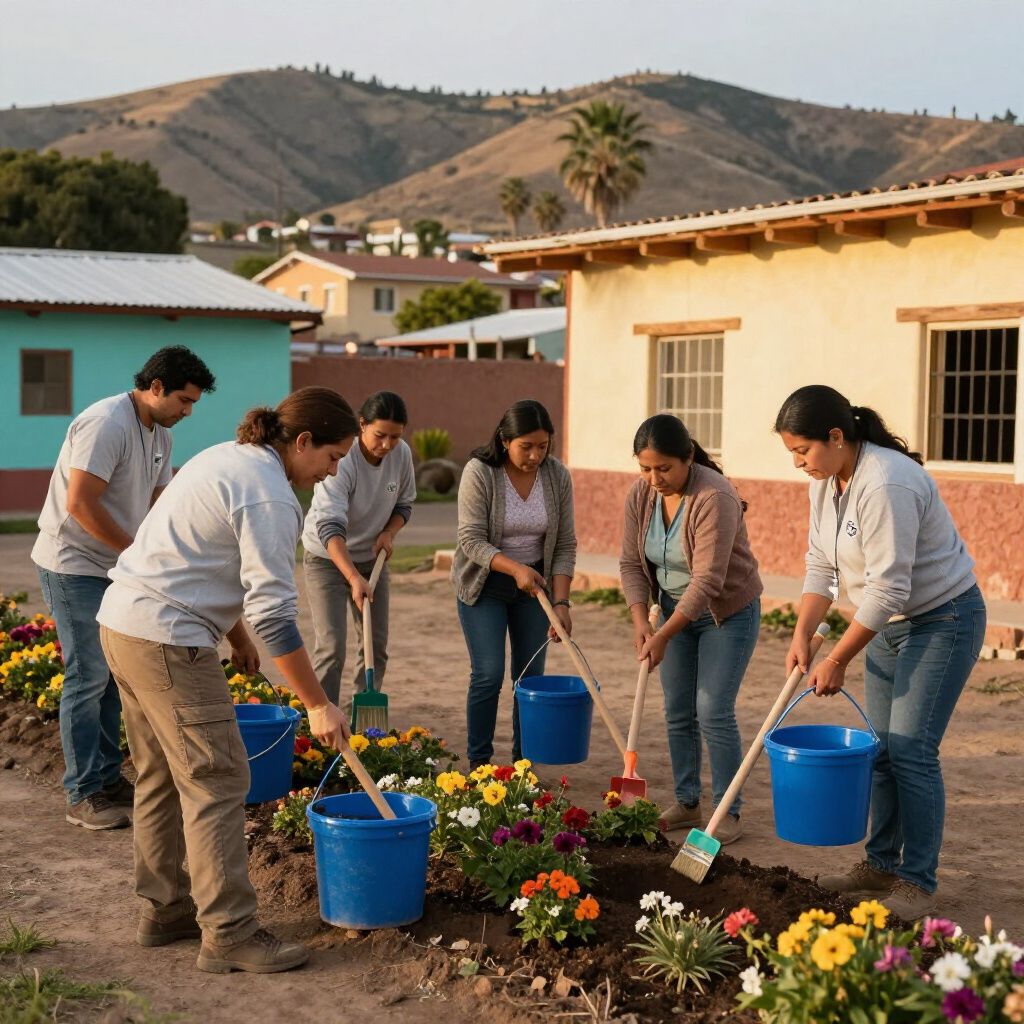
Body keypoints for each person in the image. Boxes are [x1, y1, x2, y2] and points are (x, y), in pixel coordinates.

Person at [96, 387, 358, 974]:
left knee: (161, 775)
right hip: (167, 641)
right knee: (217, 779)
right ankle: (230, 934)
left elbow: (198, 557)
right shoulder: (270, 495)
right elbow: (275, 614)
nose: (332, 471)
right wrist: (317, 703)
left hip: (124, 624)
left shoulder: (227, 457)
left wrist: (235, 636)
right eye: (333, 456)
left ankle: (165, 910)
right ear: (303, 441)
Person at [775, 384, 986, 920]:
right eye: (792, 453)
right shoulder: (826, 482)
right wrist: (803, 632)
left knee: (913, 750)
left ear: (836, 436)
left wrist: (836, 658)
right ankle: (879, 865)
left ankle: (917, 881)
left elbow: (890, 588)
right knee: (883, 752)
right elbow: (821, 566)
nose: (798, 463)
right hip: (886, 625)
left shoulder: (887, 481)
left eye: (803, 450)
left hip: (942, 619)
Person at [32, 345, 216, 830]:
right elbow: (80, 504)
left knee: (117, 673)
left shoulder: (160, 434)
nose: (188, 412)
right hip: (73, 564)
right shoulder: (106, 423)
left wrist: (173, 553)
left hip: (116, 567)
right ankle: (82, 791)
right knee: (88, 674)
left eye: (193, 403)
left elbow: (158, 506)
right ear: (155, 387)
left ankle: (109, 779)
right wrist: (136, 555)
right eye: (183, 400)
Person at [619, 415, 762, 842]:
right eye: (645, 468)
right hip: (671, 612)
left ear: (688, 457)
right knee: (678, 710)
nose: (654, 478)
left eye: (664, 468)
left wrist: (663, 635)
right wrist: (641, 620)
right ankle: (687, 802)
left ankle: (726, 812)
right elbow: (631, 563)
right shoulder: (641, 494)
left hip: (726, 613)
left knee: (713, 710)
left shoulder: (714, 496)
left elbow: (707, 582)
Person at [452, 399, 576, 769]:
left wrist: (561, 603)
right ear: (505, 441)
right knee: (488, 674)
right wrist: (514, 568)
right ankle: (480, 765)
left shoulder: (557, 475)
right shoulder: (480, 472)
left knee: (529, 678)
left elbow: (565, 544)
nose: (536, 455)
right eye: (526, 446)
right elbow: (471, 539)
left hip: (535, 589)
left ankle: (524, 764)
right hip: (484, 584)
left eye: (543, 445)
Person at [302, 391, 416, 705]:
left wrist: (389, 532)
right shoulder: (343, 458)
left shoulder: (401, 454)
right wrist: (353, 577)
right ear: (362, 424)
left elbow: (404, 504)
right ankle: (322, 714)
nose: (387, 445)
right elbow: (329, 525)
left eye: (395, 436)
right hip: (327, 558)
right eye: (380, 435)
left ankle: (360, 718)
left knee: (375, 647)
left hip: (372, 560)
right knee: (332, 648)